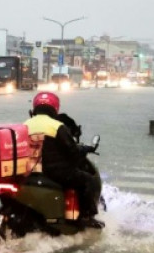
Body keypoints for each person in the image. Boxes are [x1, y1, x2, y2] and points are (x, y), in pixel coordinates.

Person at [24, 91, 104, 228]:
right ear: (55, 108)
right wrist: (83, 150)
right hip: (56, 172)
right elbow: (72, 151)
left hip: (30, 170)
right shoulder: (56, 126)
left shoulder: (25, 125)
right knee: (88, 180)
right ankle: (86, 217)